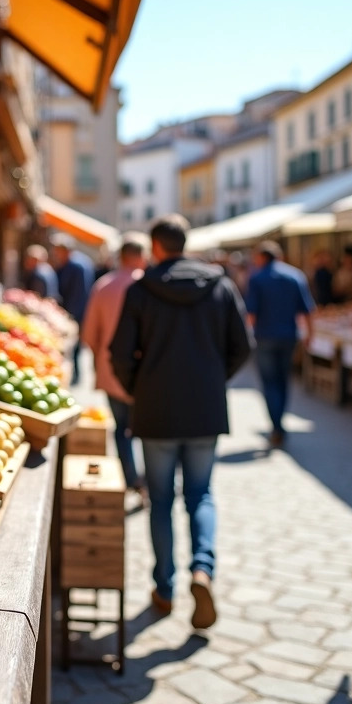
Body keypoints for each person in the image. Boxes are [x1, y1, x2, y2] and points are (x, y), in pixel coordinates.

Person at [110, 214, 252, 628]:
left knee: (160, 499)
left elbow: (119, 353)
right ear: (185, 243)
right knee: (201, 495)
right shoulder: (220, 286)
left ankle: (165, 587)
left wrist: (138, 387)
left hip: (156, 409)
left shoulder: (141, 290)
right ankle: (202, 569)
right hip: (205, 408)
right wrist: (213, 378)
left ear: (155, 247)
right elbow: (243, 346)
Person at [80, 233, 149, 492]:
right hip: (147, 373)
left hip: (111, 371)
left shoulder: (104, 286)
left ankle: (131, 478)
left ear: (121, 256)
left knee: (122, 429)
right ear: (143, 256)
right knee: (148, 429)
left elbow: (88, 334)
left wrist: (102, 356)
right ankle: (152, 477)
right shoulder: (151, 286)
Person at [245, 241, 315, 447]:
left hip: (265, 336)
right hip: (288, 336)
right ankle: (279, 423)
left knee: (269, 383)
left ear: (261, 257)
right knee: (283, 381)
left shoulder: (257, 278)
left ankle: (276, 425)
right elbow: (308, 310)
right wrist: (311, 334)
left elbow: (251, 314)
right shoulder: (295, 276)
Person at [51, 236, 94, 386]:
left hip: (76, 312)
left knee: (75, 346)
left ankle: (76, 376)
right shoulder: (73, 264)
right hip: (73, 311)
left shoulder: (77, 266)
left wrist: (71, 315)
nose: (56, 255)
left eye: (58, 251)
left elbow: (79, 293)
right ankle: (75, 375)